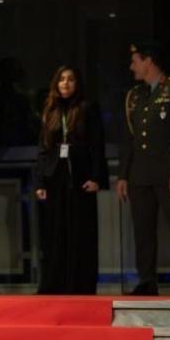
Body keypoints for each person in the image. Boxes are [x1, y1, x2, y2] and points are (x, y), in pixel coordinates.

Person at [32, 66, 107, 294]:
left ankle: (80, 286)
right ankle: (54, 286)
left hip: (81, 179)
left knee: (81, 234)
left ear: (77, 83)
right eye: (61, 79)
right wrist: (39, 182)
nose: (65, 83)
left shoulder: (88, 108)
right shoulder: (51, 110)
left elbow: (97, 146)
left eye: (70, 79)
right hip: (55, 179)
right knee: (55, 234)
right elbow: (43, 149)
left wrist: (96, 178)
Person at [116, 42, 170, 296]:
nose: (132, 67)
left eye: (135, 61)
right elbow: (129, 139)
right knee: (143, 231)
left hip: (168, 172)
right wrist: (123, 175)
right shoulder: (135, 96)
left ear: (148, 61)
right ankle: (147, 281)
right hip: (140, 174)